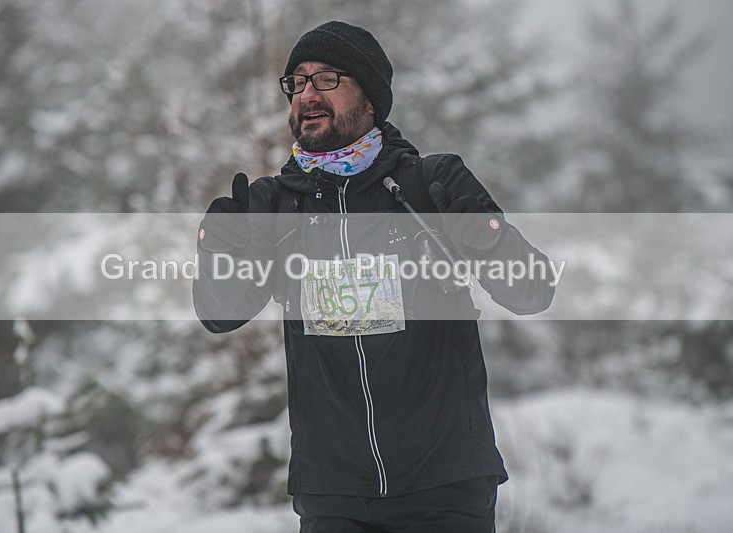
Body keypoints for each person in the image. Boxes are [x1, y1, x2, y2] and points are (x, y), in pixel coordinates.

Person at [194, 21, 555, 533]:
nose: (307, 94)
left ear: (370, 98)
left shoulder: (431, 184)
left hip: (445, 485)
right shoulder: (277, 204)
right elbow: (220, 314)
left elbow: (532, 290)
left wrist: (487, 236)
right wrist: (220, 249)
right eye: (297, 82)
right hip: (333, 494)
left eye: (327, 79)